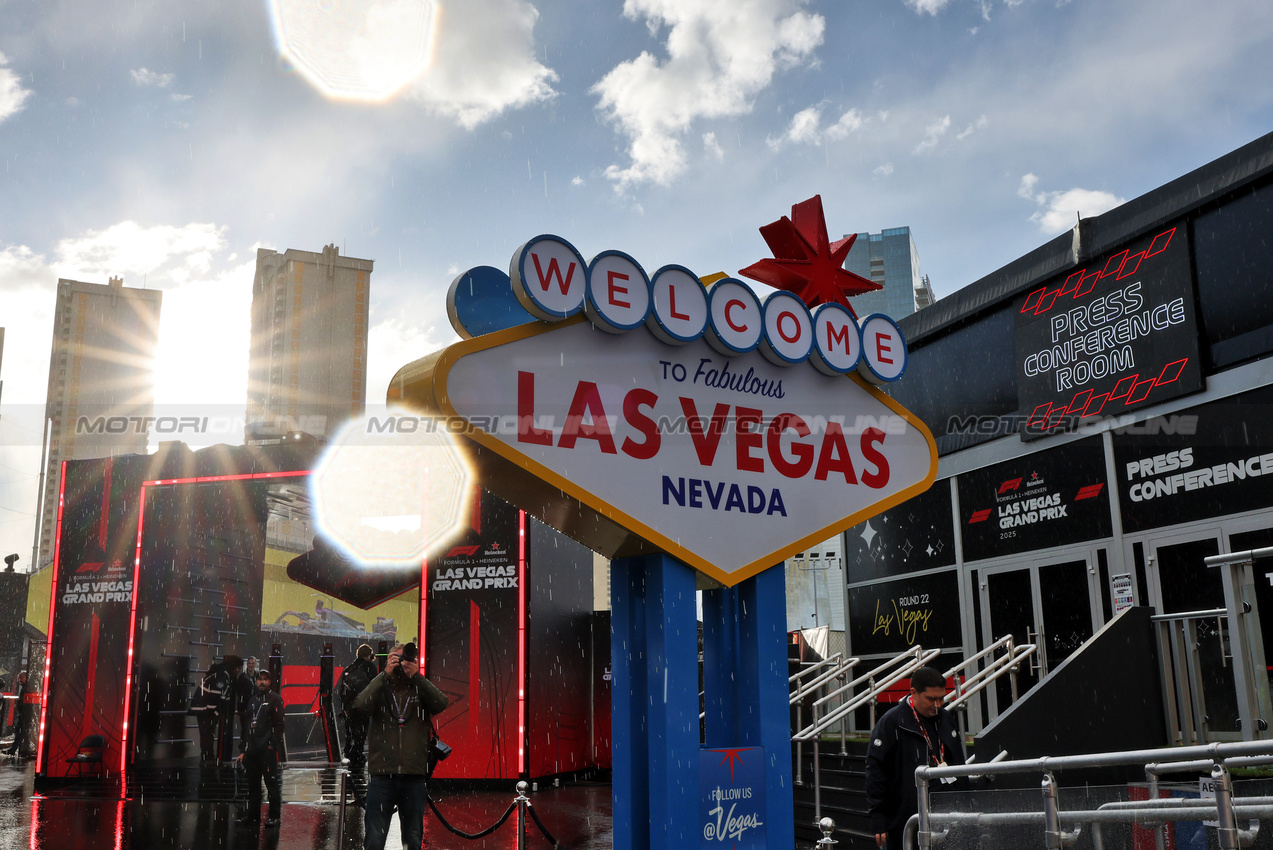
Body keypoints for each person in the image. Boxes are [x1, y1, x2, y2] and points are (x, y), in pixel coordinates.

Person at [353, 641, 449, 850]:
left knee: (413, 840)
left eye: (406, 658)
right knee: (374, 841)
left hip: (413, 777)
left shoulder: (419, 688)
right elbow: (360, 704)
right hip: (382, 777)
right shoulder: (381, 688)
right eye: (397, 658)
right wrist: (384, 674)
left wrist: (417, 676)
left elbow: (441, 703)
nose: (402, 662)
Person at [865, 666, 965, 850]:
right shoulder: (892, 722)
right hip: (906, 817)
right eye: (931, 699)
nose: (938, 704)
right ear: (914, 693)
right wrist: (878, 816)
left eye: (942, 698)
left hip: (947, 814)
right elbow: (876, 771)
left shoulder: (944, 717)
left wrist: (966, 805)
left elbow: (959, 762)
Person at [236, 668, 285, 828]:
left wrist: (272, 745)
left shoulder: (275, 699)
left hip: (266, 750)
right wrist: (243, 750)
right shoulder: (252, 700)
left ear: (269, 681)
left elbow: (279, 725)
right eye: (259, 679)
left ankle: (274, 816)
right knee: (253, 785)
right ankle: (253, 816)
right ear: (256, 681)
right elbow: (247, 726)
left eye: (265, 679)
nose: (262, 682)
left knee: (271, 783)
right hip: (252, 751)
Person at [337, 644, 378, 776]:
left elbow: (341, 690)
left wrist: (345, 707)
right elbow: (375, 686)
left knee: (350, 734)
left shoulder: (349, 668)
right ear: (369, 655)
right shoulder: (370, 667)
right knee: (361, 735)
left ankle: (348, 756)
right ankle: (357, 759)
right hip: (363, 707)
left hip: (349, 708)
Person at [193, 655, 242, 763]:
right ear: (236, 667)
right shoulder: (223, 674)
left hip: (203, 708)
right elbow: (216, 694)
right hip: (205, 709)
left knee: (207, 734)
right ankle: (208, 758)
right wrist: (214, 712)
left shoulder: (221, 672)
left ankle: (207, 757)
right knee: (208, 734)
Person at [4, 672, 29, 757]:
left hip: (23, 714)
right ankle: (17, 749)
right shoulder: (26, 688)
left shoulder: (25, 688)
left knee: (18, 732)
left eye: (21, 678)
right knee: (19, 732)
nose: (19, 680)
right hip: (23, 713)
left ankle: (13, 750)